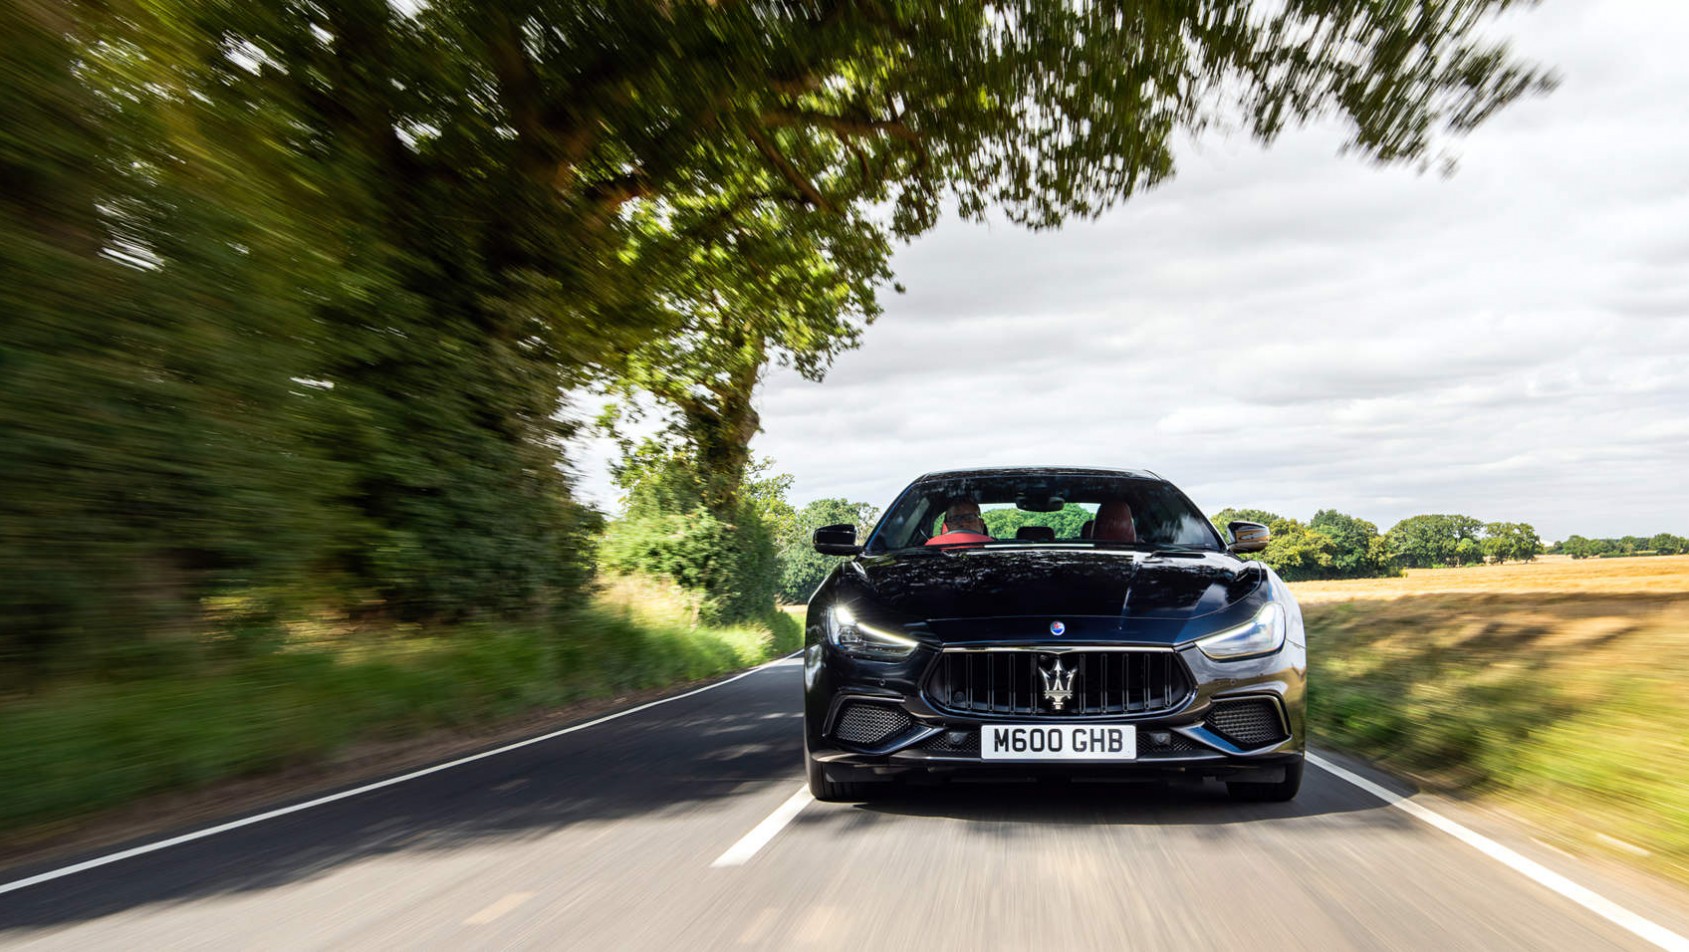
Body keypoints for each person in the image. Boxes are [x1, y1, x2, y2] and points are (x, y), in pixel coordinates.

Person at [925, 498, 993, 546]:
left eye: (969, 517)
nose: (962, 523)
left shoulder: (996, 549)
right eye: (955, 519)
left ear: (981, 524)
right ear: (947, 526)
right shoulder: (935, 551)